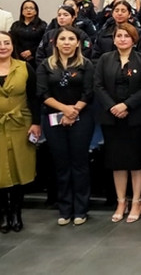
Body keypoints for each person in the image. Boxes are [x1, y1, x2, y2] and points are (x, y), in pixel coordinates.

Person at [94, 23, 141, 223]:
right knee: (116, 161)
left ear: (134, 39)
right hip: (111, 117)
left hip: (135, 117)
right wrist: (113, 106)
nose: (122, 39)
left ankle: (137, 201)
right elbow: (98, 85)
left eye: (126, 36)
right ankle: (121, 201)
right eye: (118, 35)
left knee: (136, 161)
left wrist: (126, 105)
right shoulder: (104, 59)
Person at [36, 26, 94, 226]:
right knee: (61, 165)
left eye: (71, 39)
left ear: (78, 43)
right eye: (63, 39)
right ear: (55, 42)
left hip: (82, 118)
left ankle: (81, 209)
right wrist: (64, 110)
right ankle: (65, 209)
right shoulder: (46, 65)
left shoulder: (86, 64)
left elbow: (89, 92)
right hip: (53, 119)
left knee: (79, 163)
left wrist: (74, 111)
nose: (67, 42)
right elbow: (42, 93)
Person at [0, 31, 41, 233]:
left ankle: (16, 213)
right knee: (0, 172)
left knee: (18, 170)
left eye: (6, 43)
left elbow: (34, 98)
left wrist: (36, 123)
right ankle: (3, 214)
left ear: (12, 45)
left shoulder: (24, 68)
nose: (2, 47)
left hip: (20, 124)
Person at [9, 0, 47, 64]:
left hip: (36, 58)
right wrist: (21, 52)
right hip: (18, 57)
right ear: (22, 11)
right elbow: (12, 41)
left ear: (36, 11)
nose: (28, 10)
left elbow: (44, 42)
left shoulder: (42, 25)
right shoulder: (15, 25)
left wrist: (31, 52)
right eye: (26, 8)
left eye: (31, 8)